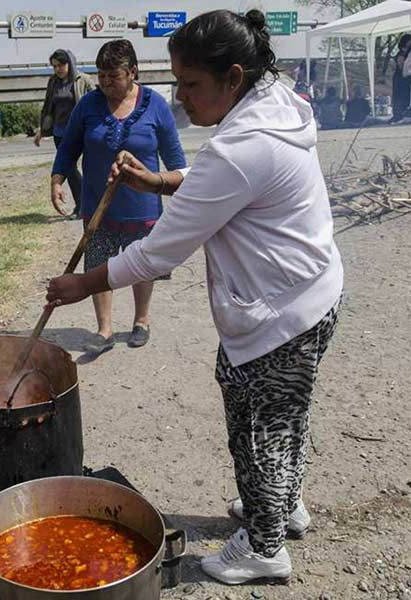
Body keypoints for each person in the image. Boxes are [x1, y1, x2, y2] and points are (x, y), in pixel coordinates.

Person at [46, 9, 342, 586]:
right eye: (176, 81)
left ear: (233, 76)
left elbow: (157, 252)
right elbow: (218, 179)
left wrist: (82, 282)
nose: (180, 97)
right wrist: (157, 181)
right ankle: (284, 506)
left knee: (259, 429)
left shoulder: (243, 146)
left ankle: (264, 546)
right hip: (311, 293)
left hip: (279, 314)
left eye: (190, 83)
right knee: (285, 419)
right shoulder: (274, 103)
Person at [51, 39, 187, 353]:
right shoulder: (87, 105)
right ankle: (105, 328)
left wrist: (181, 190)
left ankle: (141, 320)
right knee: (98, 266)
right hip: (98, 203)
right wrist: (57, 179)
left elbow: (174, 157)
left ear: (133, 72)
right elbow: (69, 146)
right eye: (102, 76)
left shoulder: (155, 105)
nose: (107, 83)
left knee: (143, 265)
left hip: (143, 206)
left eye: (115, 76)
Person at [35, 49, 95, 219]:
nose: (58, 69)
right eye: (54, 66)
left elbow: (96, 101)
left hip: (81, 131)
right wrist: (43, 130)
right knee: (68, 169)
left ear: (70, 63)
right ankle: (82, 206)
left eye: (61, 65)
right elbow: (48, 107)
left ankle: (88, 205)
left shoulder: (83, 80)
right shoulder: (53, 82)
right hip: (60, 132)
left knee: (89, 167)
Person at [391, 34, 411, 122]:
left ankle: (404, 113)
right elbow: (401, 65)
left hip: (406, 78)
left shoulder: (409, 52)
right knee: (399, 96)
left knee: (405, 96)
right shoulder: (401, 53)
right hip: (400, 78)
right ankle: (398, 114)